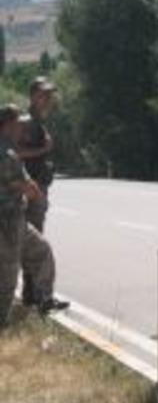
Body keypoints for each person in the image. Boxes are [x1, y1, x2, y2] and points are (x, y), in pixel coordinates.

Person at [16, 76, 67, 311]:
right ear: (34, 96)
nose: (48, 99)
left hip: (37, 189)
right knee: (34, 245)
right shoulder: (26, 122)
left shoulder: (37, 121)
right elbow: (13, 153)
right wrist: (43, 149)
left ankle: (31, 295)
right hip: (30, 192)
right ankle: (35, 295)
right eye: (44, 95)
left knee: (32, 244)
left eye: (50, 95)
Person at [0, 104, 44, 328]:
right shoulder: (7, 154)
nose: (22, 128)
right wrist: (31, 189)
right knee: (8, 274)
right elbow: (29, 189)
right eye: (19, 124)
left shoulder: (9, 150)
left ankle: (43, 302)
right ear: (8, 125)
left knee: (41, 250)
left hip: (14, 218)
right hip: (8, 219)